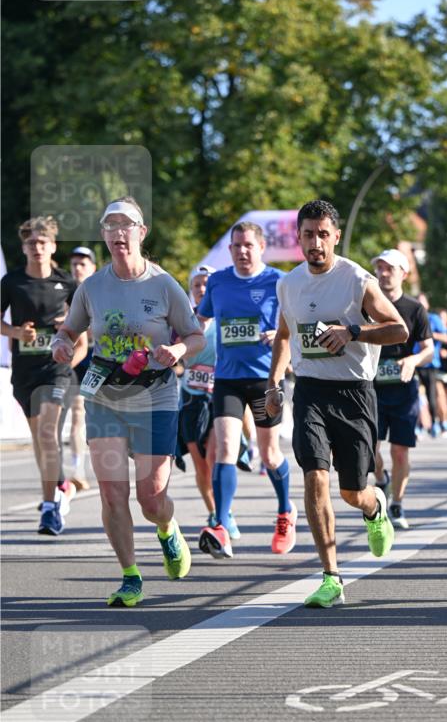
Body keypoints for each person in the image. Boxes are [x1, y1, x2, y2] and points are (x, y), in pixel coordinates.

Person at [52, 197, 205, 606]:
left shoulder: (163, 284)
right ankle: (130, 576)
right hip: (105, 395)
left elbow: (195, 336)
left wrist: (177, 352)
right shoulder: (92, 287)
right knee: (111, 494)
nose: (118, 232)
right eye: (110, 225)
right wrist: (60, 343)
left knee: (151, 498)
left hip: (155, 394)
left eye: (126, 225)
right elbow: (68, 331)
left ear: (142, 232)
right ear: (104, 234)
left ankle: (167, 528)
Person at [266, 198, 408, 608]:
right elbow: (284, 335)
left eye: (323, 235)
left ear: (337, 237)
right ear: (299, 238)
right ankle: (331, 576)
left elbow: (398, 330)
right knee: (314, 477)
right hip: (310, 390)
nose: (316, 243)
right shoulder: (288, 284)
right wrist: (275, 382)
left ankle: (374, 505)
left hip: (354, 392)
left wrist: (353, 332)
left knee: (351, 491)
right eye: (308, 235)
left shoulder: (357, 280)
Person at [196, 222, 296, 559]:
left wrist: (280, 335)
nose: (242, 251)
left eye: (248, 245)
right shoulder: (219, 281)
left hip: (265, 379)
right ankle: (221, 525)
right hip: (226, 378)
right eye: (236, 246)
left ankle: (285, 513)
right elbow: (203, 317)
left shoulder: (279, 282)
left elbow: (296, 325)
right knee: (224, 448)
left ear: (262, 247)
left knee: (268, 455)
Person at [1, 216, 87, 534]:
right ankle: (59, 484)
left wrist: (68, 355)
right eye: (31, 243)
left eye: (42, 242)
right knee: (40, 439)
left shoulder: (68, 284)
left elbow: (84, 336)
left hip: (57, 373)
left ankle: (50, 507)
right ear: (24, 247)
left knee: (49, 434)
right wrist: (15, 332)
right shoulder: (11, 283)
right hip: (24, 373)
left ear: (52, 246)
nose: (37, 247)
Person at [178, 264, 243, 536]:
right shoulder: (182, 321)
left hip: (220, 396)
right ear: (191, 291)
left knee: (217, 456)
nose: (202, 289)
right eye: (197, 285)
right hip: (191, 397)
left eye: (207, 284)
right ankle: (215, 510)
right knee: (201, 465)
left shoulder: (226, 317)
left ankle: (224, 513)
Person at [371, 250, 433, 530]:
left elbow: (429, 349)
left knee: (400, 452)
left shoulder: (414, 308)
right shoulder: (366, 305)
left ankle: (396, 504)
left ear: (403, 274)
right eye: (380, 268)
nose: (384, 273)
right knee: (370, 449)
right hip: (372, 390)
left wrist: (413, 359)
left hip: (404, 390)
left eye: (390, 269)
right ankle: (381, 479)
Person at [64, 246, 97, 489]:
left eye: (83, 263)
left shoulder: (102, 291)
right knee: (77, 415)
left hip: (101, 359)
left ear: (93, 268)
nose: (78, 268)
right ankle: (77, 469)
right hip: (77, 358)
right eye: (74, 263)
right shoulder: (63, 293)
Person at [415, 293, 447, 437]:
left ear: (427, 304)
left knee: (431, 395)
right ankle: (418, 426)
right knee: (414, 395)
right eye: (418, 303)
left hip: (430, 363)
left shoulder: (433, 319)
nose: (420, 305)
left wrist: (428, 334)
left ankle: (435, 423)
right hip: (415, 362)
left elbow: (446, 337)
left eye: (423, 302)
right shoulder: (413, 317)